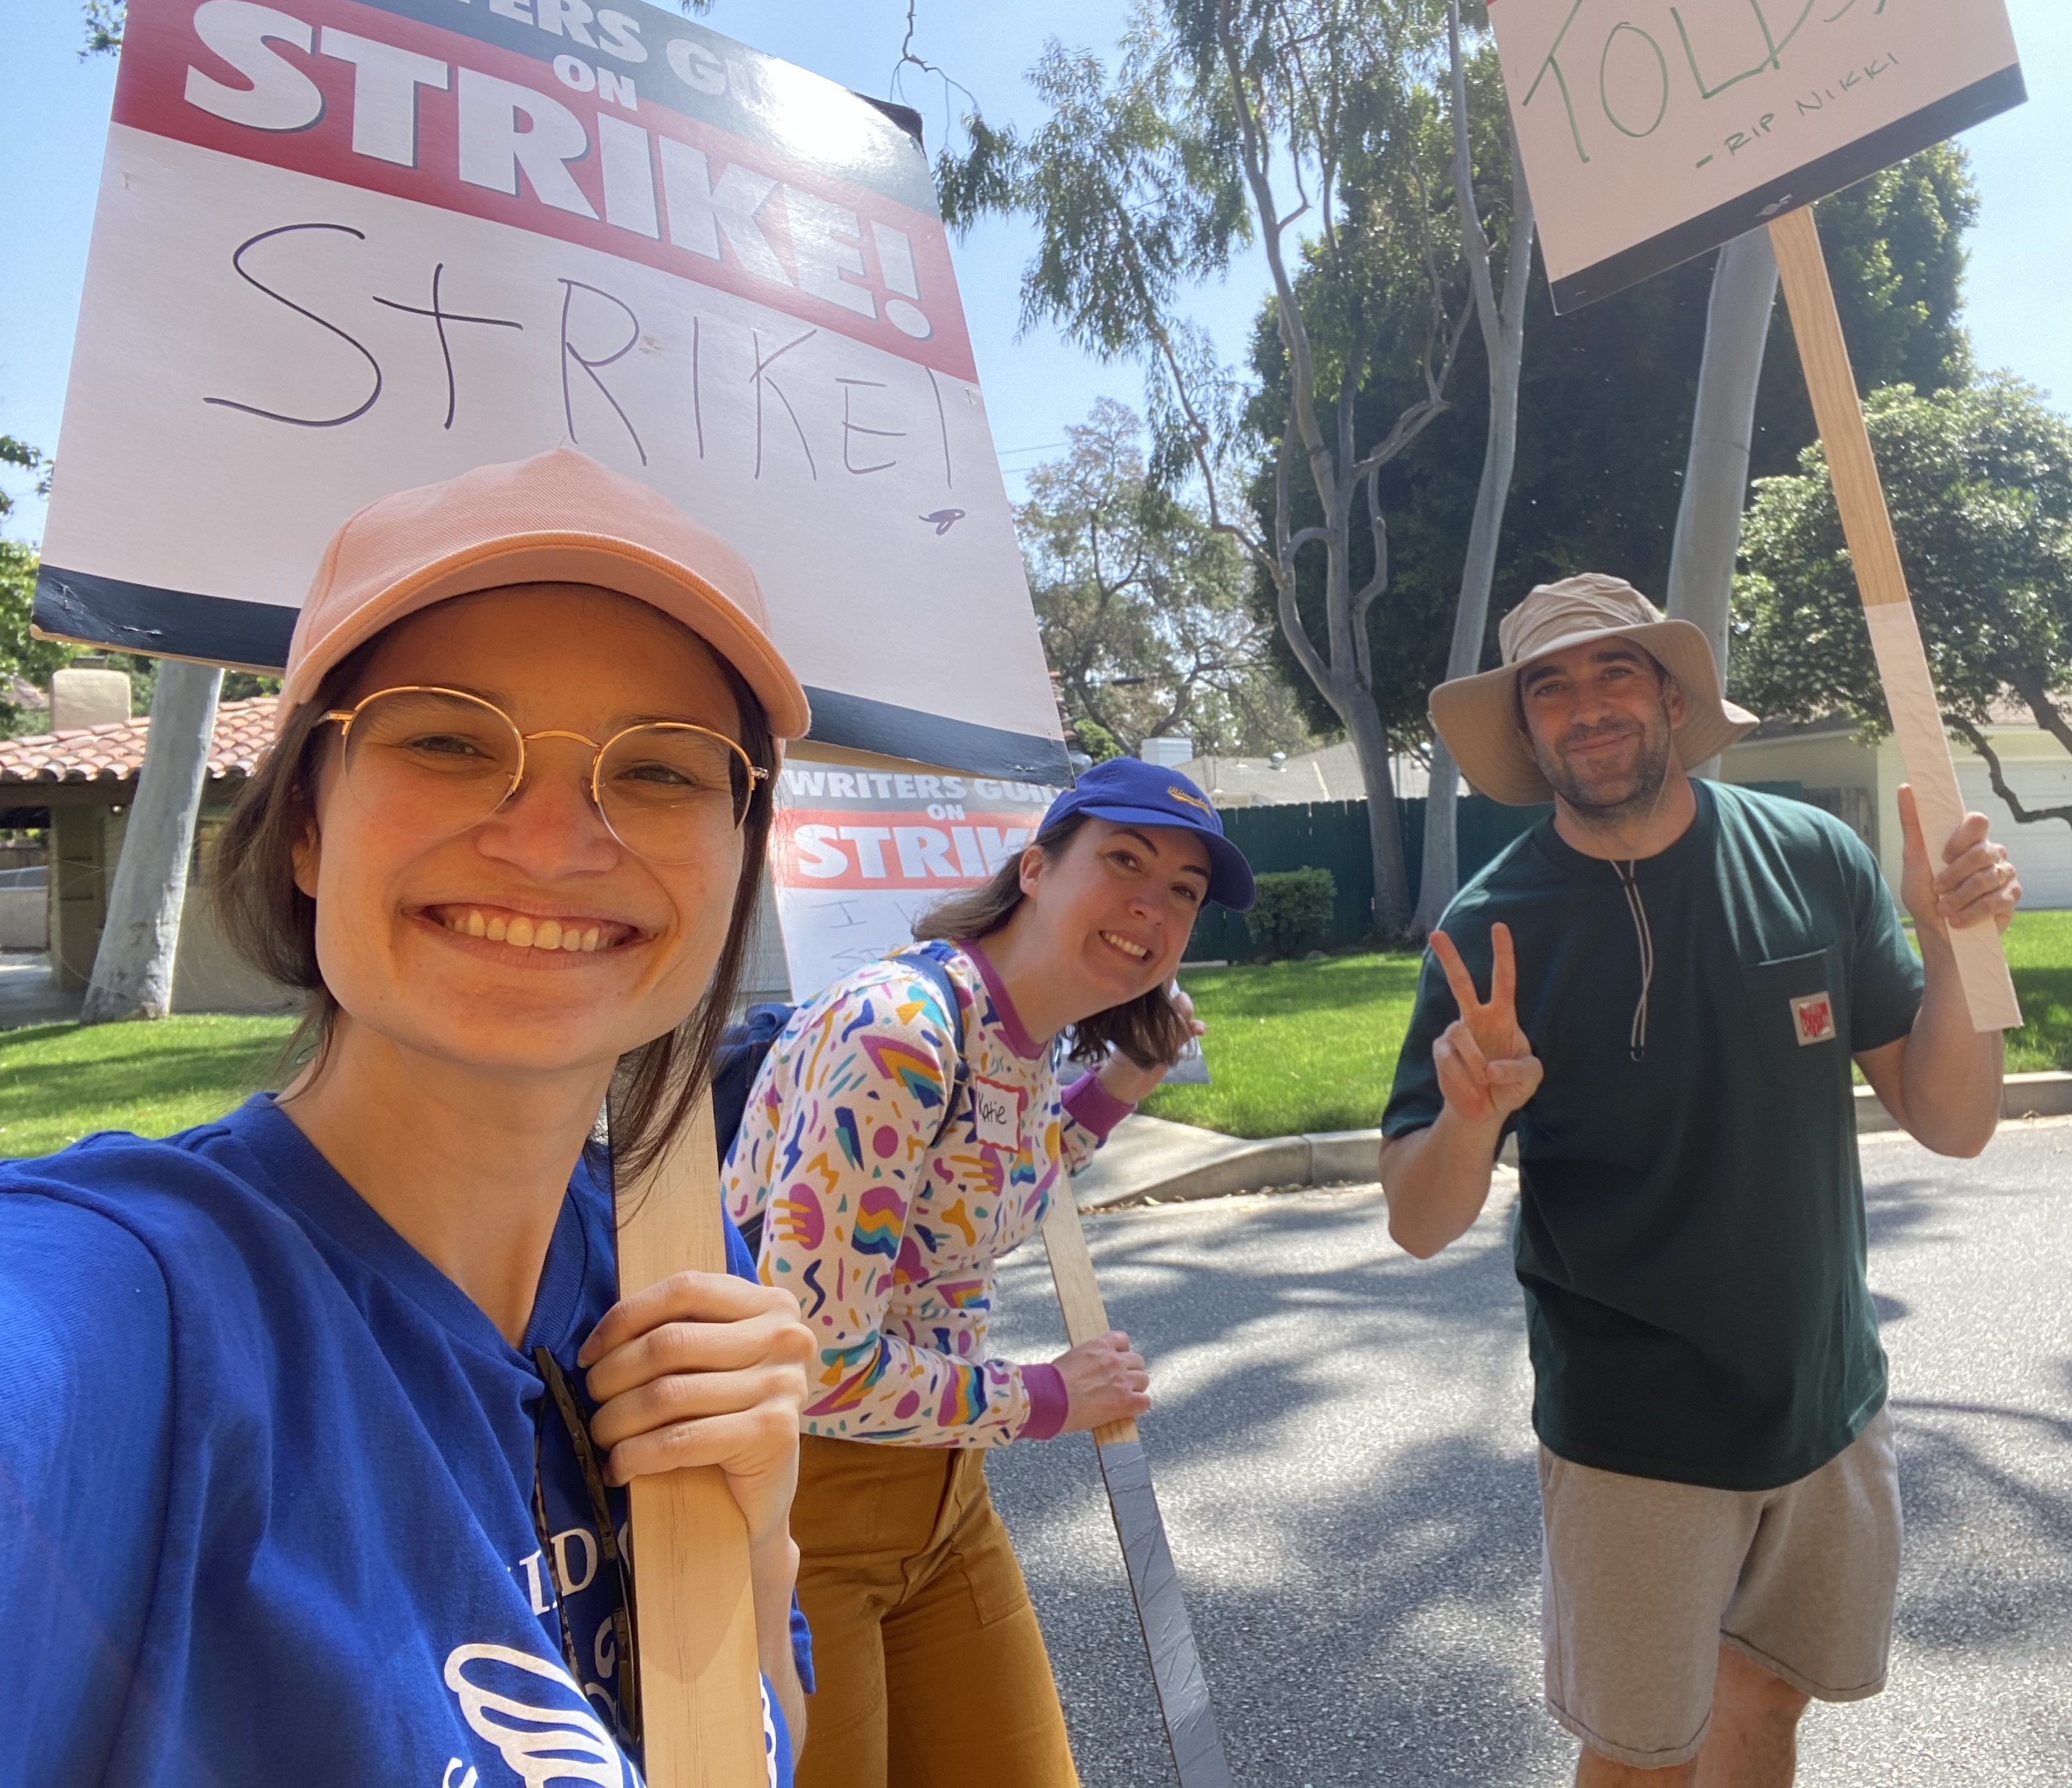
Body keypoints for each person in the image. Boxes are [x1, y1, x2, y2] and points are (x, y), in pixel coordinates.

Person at [0, 450, 820, 1785]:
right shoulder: (140, 1313)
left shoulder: (668, 1270)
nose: (555, 841)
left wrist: (763, 1537)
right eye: (449, 739)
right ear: (308, 825)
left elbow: (767, 1731)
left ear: (738, 857)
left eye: (666, 770)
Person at [1379, 574, 2020, 1788]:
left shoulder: (1810, 858)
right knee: (1638, 1760)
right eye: (1551, 688)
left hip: (1824, 1401)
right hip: (1633, 1436)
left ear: (1673, 695)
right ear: (1526, 733)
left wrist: (1949, 946)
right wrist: (1470, 1119)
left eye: (1616, 671)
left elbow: (1953, 1120)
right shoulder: (1492, 925)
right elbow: (1419, 1219)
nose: (1587, 707)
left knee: (1768, 1706)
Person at [723, 754, 1255, 1788]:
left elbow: (989, 1175)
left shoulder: (1017, 1037)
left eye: (1182, 894)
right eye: (1125, 861)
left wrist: (1119, 1087)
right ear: (1035, 869)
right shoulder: (902, 1032)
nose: (1151, 907)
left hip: (945, 1494)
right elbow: (816, 1364)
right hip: (797, 1515)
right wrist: (1050, 1395)